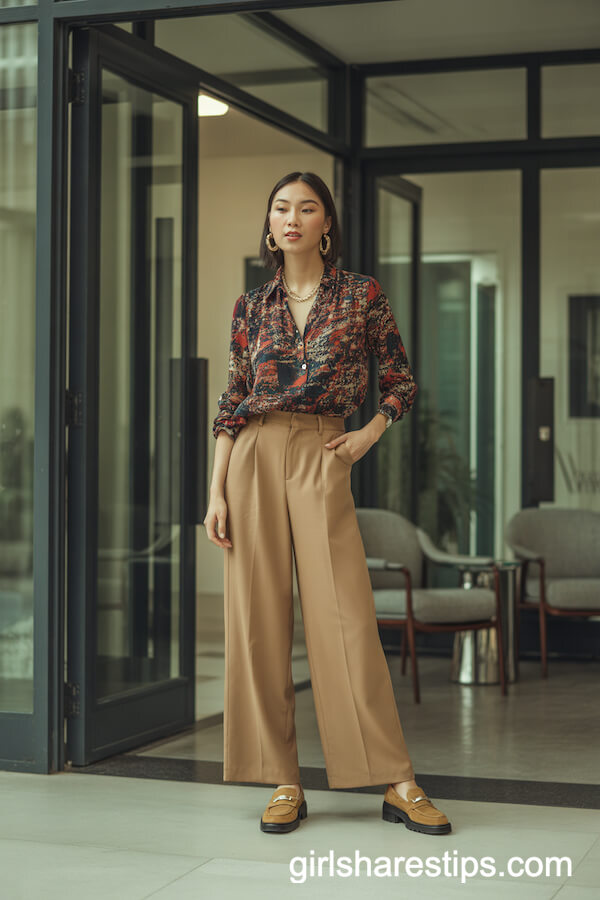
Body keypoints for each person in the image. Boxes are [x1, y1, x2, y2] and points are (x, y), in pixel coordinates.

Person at [204, 171, 451, 837]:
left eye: (306, 208)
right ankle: (284, 779)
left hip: (324, 451)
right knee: (258, 620)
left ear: (326, 224)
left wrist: (369, 435)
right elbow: (229, 406)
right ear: (270, 224)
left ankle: (397, 779)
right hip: (252, 455)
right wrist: (214, 491)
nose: (292, 218)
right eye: (281, 207)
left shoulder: (361, 295)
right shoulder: (249, 307)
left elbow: (400, 379)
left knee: (345, 619)